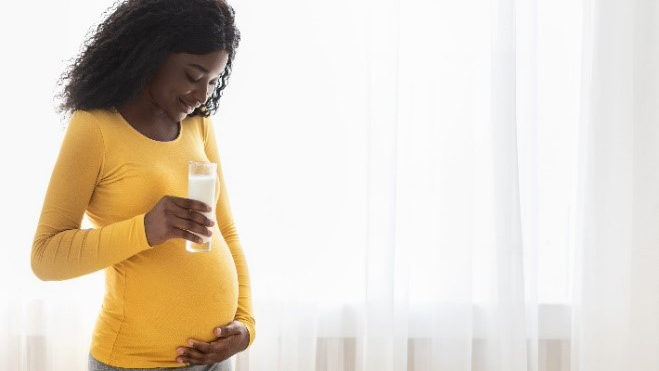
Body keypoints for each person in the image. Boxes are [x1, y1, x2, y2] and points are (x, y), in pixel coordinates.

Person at [30, 0, 255, 369]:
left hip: (216, 357)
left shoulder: (199, 125)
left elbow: (226, 231)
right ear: (152, 54)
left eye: (213, 81)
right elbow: (46, 256)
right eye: (193, 76)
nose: (202, 96)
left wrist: (245, 324)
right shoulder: (95, 128)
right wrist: (145, 230)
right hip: (135, 361)